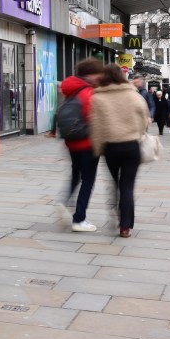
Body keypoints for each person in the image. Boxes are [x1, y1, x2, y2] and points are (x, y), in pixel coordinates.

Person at [89, 64, 150, 238]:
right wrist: (137, 135)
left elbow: (96, 127)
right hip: (131, 146)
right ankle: (125, 226)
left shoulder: (97, 98)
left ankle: (116, 214)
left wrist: (98, 148)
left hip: (111, 148)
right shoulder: (133, 95)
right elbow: (144, 120)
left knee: (115, 183)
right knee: (127, 186)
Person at [58, 58, 105, 232]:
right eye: (98, 73)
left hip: (71, 143)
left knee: (75, 175)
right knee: (88, 180)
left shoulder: (71, 89)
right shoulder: (87, 92)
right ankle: (79, 219)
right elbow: (93, 119)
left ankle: (64, 202)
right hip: (87, 143)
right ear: (91, 74)